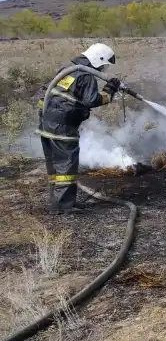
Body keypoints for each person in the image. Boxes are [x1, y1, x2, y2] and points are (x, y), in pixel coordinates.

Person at [34, 43, 121, 214]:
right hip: (63, 128)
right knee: (66, 166)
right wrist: (109, 91)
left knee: (55, 167)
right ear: (98, 60)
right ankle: (64, 207)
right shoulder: (86, 76)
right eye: (103, 65)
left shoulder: (67, 70)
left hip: (47, 124)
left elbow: (46, 93)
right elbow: (92, 100)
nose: (103, 69)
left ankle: (60, 203)